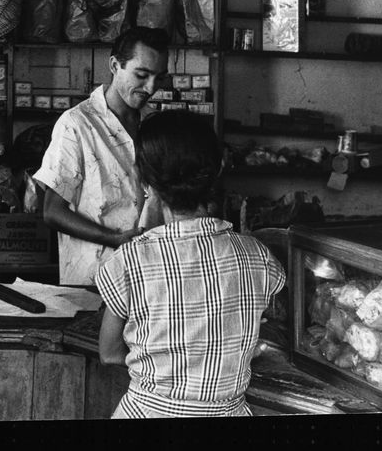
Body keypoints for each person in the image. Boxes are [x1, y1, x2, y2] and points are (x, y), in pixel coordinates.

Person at [95, 111, 286, 418]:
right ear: (218, 169)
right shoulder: (258, 257)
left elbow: (109, 353)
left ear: (145, 181)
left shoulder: (129, 262)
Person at [31, 26, 170, 286]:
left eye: (159, 78)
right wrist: (113, 238)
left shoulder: (155, 123)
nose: (151, 87)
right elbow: (52, 212)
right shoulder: (77, 124)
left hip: (149, 277)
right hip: (93, 278)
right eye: (141, 75)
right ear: (115, 65)